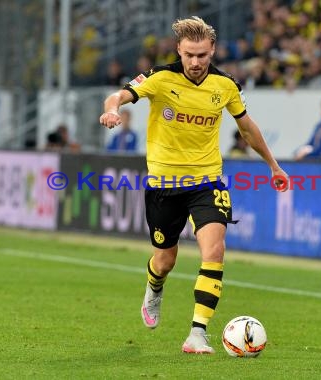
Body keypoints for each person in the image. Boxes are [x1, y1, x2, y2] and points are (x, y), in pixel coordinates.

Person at [99, 16, 288, 354]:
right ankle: (154, 289)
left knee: (214, 251)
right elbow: (119, 95)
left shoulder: (225, 85)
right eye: (189, 55)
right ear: (179, 51)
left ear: (212, 50)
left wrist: (273, 165)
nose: (196, 62)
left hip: (207, 181)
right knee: (164, 260)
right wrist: (112, 110)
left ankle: (197, 333)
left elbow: (246, 128)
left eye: (202, 55)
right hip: (163, 185)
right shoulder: (159, 78)